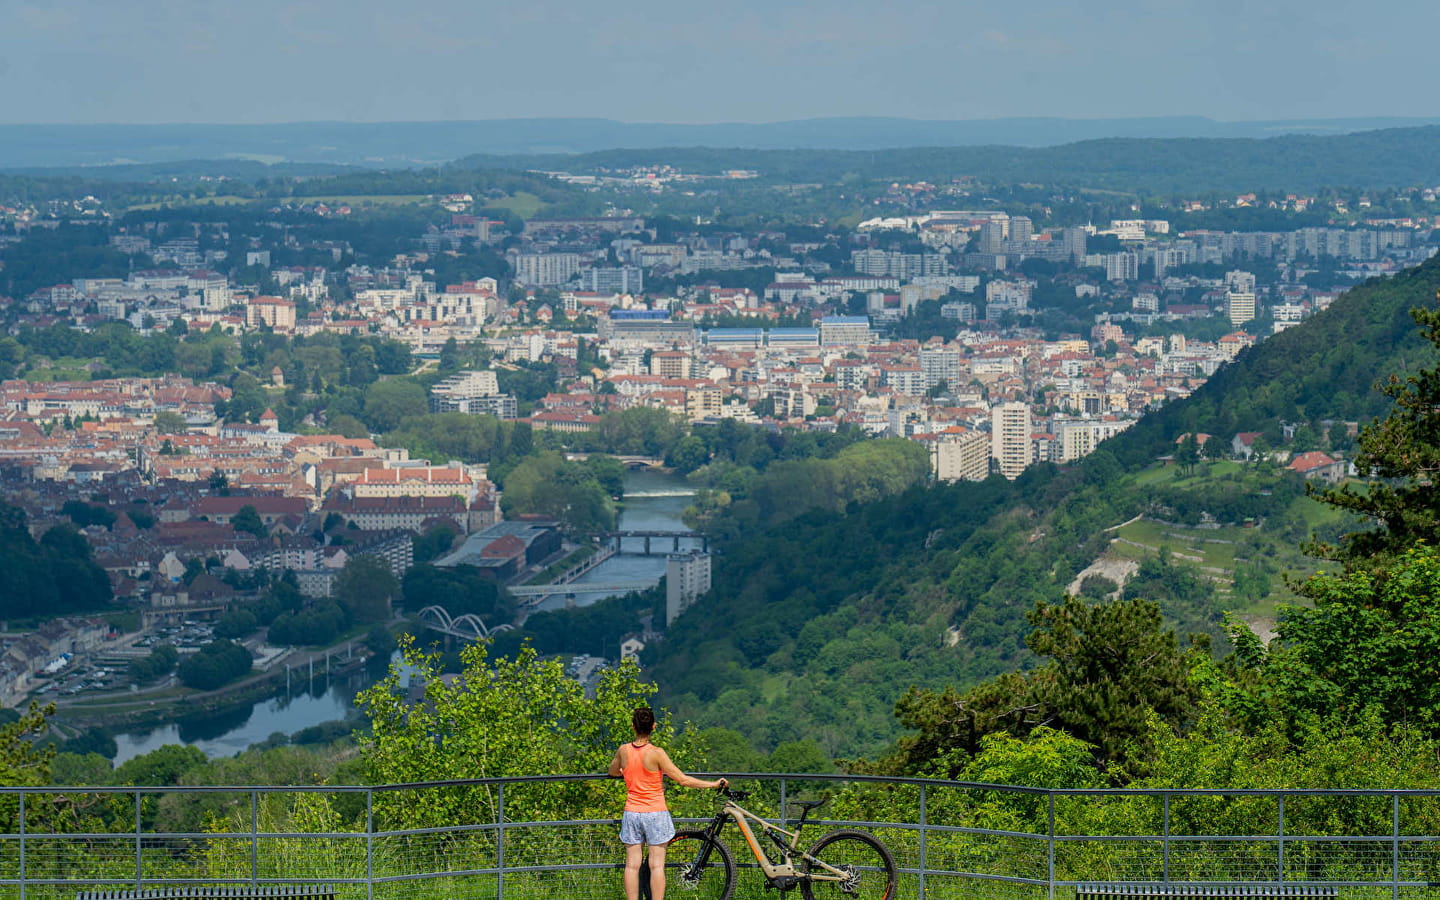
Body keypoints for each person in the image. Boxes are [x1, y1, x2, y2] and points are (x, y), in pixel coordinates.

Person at [609, 707, 726, 900]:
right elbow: (683, 780)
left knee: (632, 865)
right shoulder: (657, 753)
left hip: (632, 812)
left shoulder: (623, 750)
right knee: (656, 865)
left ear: (633, 726)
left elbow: (613, 771)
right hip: (656, 812)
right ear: (654, 726)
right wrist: (713, 784)